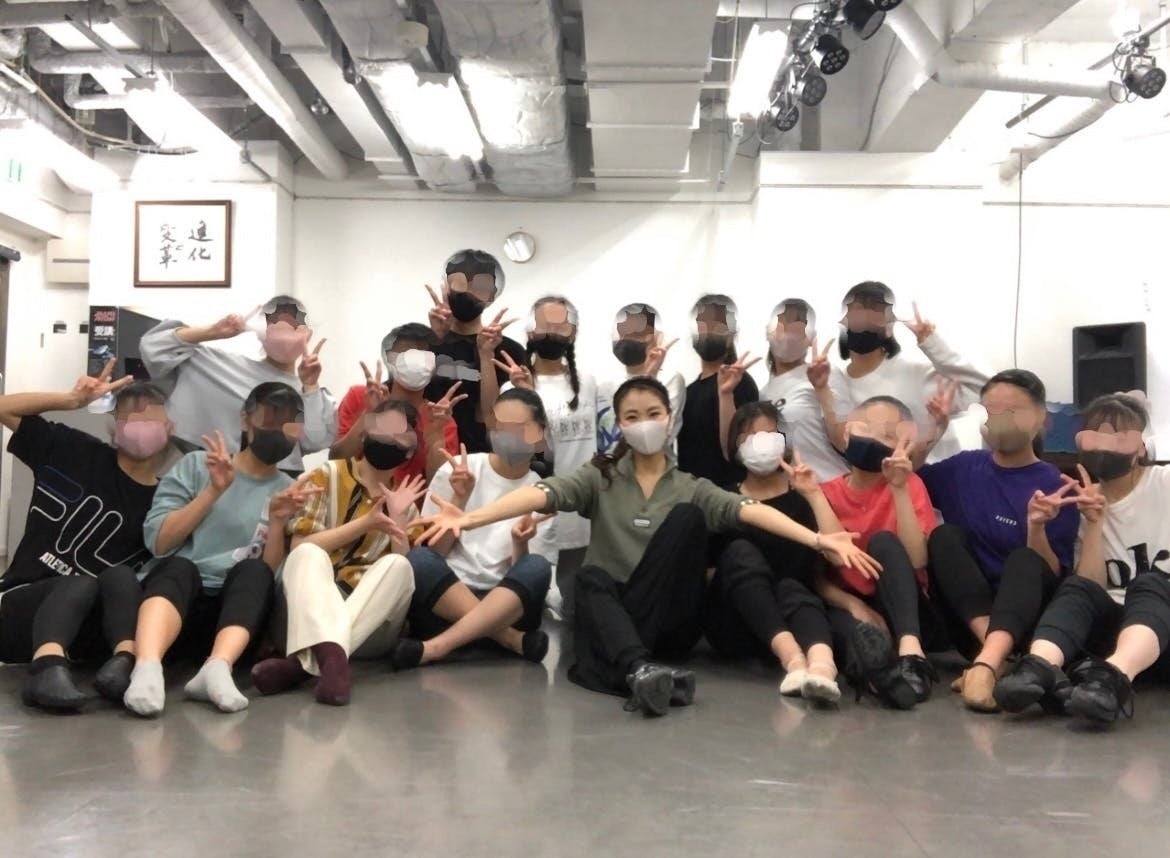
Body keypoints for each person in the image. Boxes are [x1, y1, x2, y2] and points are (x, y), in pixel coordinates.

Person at [415, 377, 877, 718]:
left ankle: (638, 666)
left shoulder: (690, 486)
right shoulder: (600, 477)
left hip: (671, 624)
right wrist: (470, 517)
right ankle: (640, 672)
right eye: (632, 417)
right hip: (619, 615)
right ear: (619, 425)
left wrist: (819, 538)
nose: (643, 424)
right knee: (589, 577)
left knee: (688, 518)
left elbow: (750, 510)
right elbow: (542, 494)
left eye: (653, 413)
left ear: (669, 419)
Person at [122, 382, 320, 717]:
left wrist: (276, 521)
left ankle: (217, 668)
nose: (278, 430)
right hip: (174, 606)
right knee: (179, 567)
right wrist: (213, 491)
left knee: (254, 571)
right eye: (270, 418)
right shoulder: (199, 465)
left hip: (233, 623)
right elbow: (160, 542)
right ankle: (147, 667)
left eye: (289, 423)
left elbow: (268, 577)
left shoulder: (291, 492)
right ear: (246, 420)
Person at [0, 366, 180, 710]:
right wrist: (69, 400)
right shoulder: (73, 451)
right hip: (20, 611)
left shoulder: (165, 505)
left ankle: (125, 660)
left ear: (169, 429)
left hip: (91, 638)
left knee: (120, 576)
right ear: (114, 427)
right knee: (80, 583)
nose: (140, 426)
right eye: (130, 417)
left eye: (150, 418)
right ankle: (47, 666)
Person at [995, 393, 1170, 725]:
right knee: (1076, 587)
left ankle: (1114, 679)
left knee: (1150, 583)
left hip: (1161, 633)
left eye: (1118, 437)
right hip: (1112, 635)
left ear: (1140, 448)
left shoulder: (1164, 483)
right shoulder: (1084, 502)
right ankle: (1037, 668)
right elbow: (1092, 585)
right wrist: (1094, 523)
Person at [921, 370, 1079, 712]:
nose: (1000, 420)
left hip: (1028, 620)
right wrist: (936, 429)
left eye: (1013, 411)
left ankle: (986, 664)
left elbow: (1052, 571)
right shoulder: (964, 467)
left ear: (1041, 418)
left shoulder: (1056, 485)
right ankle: (996, 658)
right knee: (944, 536)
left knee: (1025, 559)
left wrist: (1036, 527)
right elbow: (907, 475)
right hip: (970, 620)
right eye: (992, 411)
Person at [251, 400, 426, 706]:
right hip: (304, 614)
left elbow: (404, 580)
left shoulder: (406, 500)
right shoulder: (327, 476)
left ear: (410, 450)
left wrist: (398, 519)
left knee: (399, 565)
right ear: (365, 434)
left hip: (370, 625)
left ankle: (303, 666)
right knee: (308, 554)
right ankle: (332, 662)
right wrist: (365, 524)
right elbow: (299, 547)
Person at [392, 388, 556, 670]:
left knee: (538, 567)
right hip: (446, 601)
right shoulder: (458, 470)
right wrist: (460, 498)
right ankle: (509, 640)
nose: (509, 435)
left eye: (519, 429)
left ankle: (437, 647)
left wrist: (520, 543)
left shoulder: (540, 492)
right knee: (418, 560)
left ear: (540, 433)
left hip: (506, 606)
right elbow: (434, 553)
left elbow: (524, 574)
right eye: (501, 427)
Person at [703, 401, 841, 704]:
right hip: (738, 622)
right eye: (750, 437)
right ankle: (793, 660)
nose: (761, 443)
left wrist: (814, 494)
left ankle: (821, 669)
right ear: (736, 446)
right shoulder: (724, 499)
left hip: (797, 615)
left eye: (769, 434)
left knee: (793, 587)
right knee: (740, 552)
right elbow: (709, 571)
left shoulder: (803, 496)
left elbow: (835, 554)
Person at [817, 395, 940, 709]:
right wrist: (854, 604)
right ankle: (882, 679)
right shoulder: (824, 492)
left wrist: (899, 488)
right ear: (847, 431)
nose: (873, 439)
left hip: (903, 604)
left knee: (884, 541)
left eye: (887, 434)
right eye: (864, 428)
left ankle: (911, 653)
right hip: (850, 602)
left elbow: (917, 559)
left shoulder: (909, 484)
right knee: (851, 632)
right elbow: (818, 570)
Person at [480, 296, 598, 619]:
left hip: (581, 503)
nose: (552, 333)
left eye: (561, 326)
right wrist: (529, 394)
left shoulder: (587, 383)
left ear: (574, 332)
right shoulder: (513, 388)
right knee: (531, 589)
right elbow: (521, 445)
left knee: (575, 601)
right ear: (530, 330)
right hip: (537, 500)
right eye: (545, 325)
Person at [140, 295, 336, 472]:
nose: (285, 335)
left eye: (294, 327)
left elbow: (316, 442)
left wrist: (311, 386)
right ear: (259, 332)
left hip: (274, 485)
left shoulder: (309, 395)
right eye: (275, 326)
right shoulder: (218, 367)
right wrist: (213, 331)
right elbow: (153, 348)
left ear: (308, 335)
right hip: (205, 475)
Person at [813, 282, 987, 464]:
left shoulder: (918, 373)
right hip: (883, 479)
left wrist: (934, 345)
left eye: (875, 314)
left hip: (938, 475)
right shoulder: (833, 383)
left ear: (889, 328)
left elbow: (985, 389)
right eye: (857, 312)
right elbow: (843, 442)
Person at [424, 249, 530, 453]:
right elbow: (404, 401)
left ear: (492, 295)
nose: (467, 293)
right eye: (460, 283)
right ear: (446, 286)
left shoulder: (509, 352)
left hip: (492, 460)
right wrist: (434, 339)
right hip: (433, 456)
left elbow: (514, 417)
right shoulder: (423, 345)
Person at [330, 322, 461, 482]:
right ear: (390, 360)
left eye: (423, 354)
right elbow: (336, 460)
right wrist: (369, 416)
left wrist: (436, 439)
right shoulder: (360, 396)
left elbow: (441, 484)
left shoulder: (440, 419)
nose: (415, 362)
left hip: (410, 497)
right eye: (405, 352)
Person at [756, 299, 848, 481]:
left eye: (797, 329)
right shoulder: (762, 394)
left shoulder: (826, 374)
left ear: (811, 338)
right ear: (768, 331)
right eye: (781, 326)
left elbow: (844, 441)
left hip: (828, 484)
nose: (787, 335)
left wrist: (822, 388)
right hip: (790, 489)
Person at [677, 294, 759, 486]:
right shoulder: (689, 391)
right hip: (690, 493)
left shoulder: (741, 383)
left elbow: (736, 451)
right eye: (702, 325)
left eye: (718, 326)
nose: (708, 332)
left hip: (727, 494)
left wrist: (726, 394)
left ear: (732, 335)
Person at [596, 303, 686, 455]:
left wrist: (650, 376)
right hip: (608, 468)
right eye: (621, 333)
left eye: (635, 334)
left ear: (655, 337)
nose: (625, 339)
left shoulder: (670, 380)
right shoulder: (604, 386)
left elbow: (656, 439)